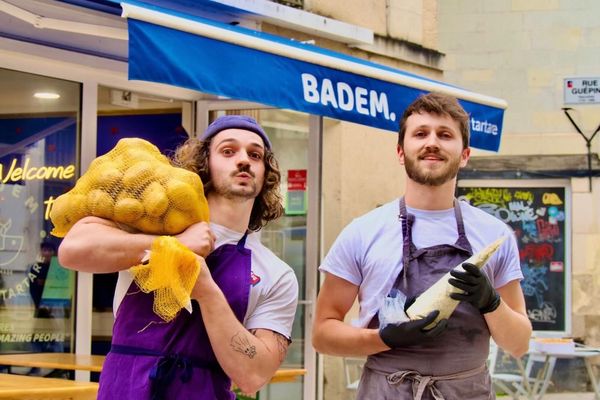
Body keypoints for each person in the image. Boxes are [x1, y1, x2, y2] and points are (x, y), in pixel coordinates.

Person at [58, 115, 299, 400]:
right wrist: (170, 244)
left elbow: (254, 376)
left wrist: (208, 293)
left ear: (266, 174)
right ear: (204, 163)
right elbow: (72, 250)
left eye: (255, 154)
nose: (244, 160)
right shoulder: (149, 221)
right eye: (228, 151)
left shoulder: (276, 273)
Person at [312, 93, 532, 399]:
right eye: (420, 133)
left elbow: (519, 343)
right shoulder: (361, 232)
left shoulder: (496, 235)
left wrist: (490, 302)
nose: (432, 142)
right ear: (401, 152)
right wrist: (384, 338)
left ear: (465, 154)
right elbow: (322, 335)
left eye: (445, 135)